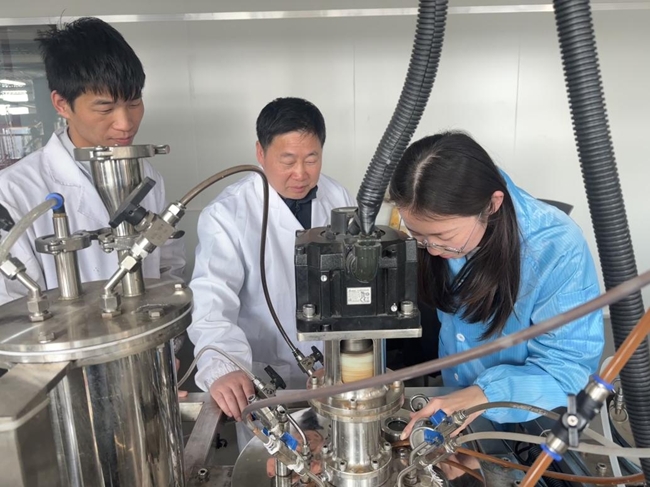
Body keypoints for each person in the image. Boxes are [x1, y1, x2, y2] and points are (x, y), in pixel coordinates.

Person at [389, 131, 604, 438]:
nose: (432, 250)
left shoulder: (557, 247)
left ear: (491, 205)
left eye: (443, 238)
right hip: (455, 402)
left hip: (534, 419)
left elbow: (567, 369)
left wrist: (482, 394)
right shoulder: (445, 233)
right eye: (419, 236)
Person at [188, 98, 354, 443]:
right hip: (263, 380)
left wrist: (348, 358)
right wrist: (224, 367)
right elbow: (212, 299)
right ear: (260, 154)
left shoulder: (337, 197)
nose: (301, 173)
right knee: (272, 462)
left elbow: (353, 287)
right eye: (288, 160)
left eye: (312, 159)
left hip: (334, 377)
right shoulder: (227, 214)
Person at [0, 17, 185, 306]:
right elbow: (13, 305)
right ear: (62, 104)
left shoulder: (146, 174)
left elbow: (168, 265)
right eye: (105, 108)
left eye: (134, 102)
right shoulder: (14, 191)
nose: (126, 123)